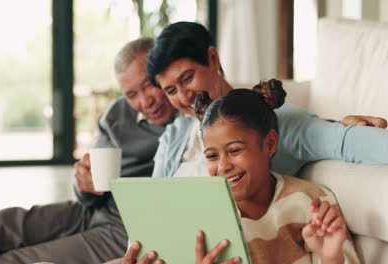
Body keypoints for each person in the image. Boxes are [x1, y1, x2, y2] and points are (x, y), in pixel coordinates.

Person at [116, 21, 388, 264]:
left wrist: (341, 127)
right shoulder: (176, 133)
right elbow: (149, 211)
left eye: (187, 78)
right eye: (171, 91)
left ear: (213, 58)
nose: (184, 97)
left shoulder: (279, 124)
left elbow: (346, 142)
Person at [0, 37, 176, 264]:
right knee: (2, 224)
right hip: (93, 209)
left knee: (11, 260)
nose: (144, 101)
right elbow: (87, 190)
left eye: (149, 85)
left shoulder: (187, 123)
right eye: (131, 94)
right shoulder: (117, 114)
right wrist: (84, 184)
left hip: (128, 226)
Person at [123, 82, 360, 264]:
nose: (223, 166)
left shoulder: (311, 202)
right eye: (212, 156)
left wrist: (331, 258)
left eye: (235, 150)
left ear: (269, 144)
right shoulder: (198, 216)